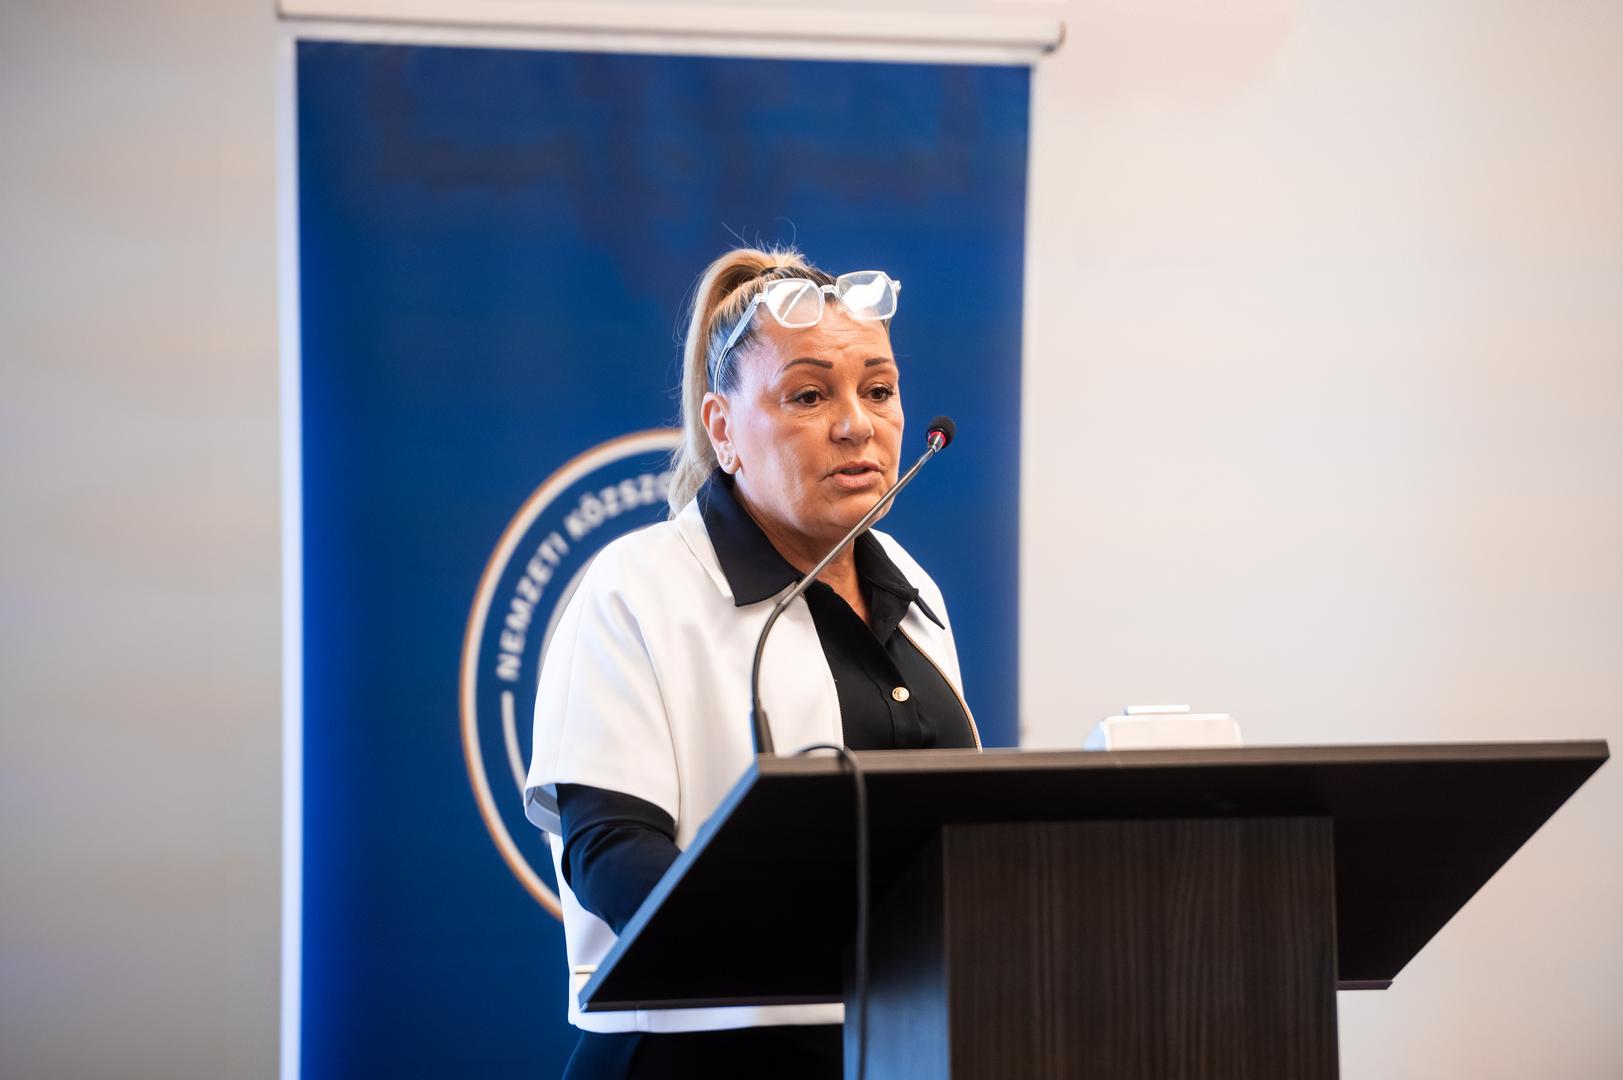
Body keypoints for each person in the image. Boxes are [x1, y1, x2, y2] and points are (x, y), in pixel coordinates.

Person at [524, 246, 980, 1078]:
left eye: (879, 390)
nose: (857, 424)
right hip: (695, 1055)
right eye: (808, 395)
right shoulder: (636, 587)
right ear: (722, 428)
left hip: (894, 1044)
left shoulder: (913, 586)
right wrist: (791, 945)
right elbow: (609, 851)